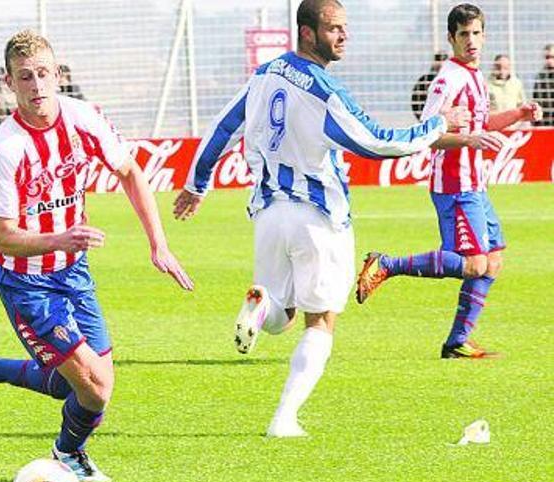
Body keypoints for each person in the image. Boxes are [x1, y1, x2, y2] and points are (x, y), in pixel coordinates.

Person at [172, 0, 468, 438]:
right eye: (333, 29)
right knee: (321, 321)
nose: (343, 36)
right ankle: (284, 419)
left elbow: (221, 126)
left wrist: (197, 184)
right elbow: (375, 142)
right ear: (307, 33)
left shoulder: (264, 74)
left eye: (345, 28)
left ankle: (262, 302)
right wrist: (438, 124)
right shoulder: (324, 90)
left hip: (270, 214)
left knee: (283, 315)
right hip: (318, 218)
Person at [0, 29, 192, 482]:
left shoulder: (84, 118)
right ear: (9, 83)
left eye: (44, 73)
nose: (37, 85)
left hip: (73, 271)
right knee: (95, 388)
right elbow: (4, 238)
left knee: (82, 384)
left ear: (58, 74)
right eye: (25, 77)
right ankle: (67, 454)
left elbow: (129, 170)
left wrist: (158, 243)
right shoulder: (5, 148)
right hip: (27, 283)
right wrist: (59, 239)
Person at [356, 4, 542, 359]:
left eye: (476, 33)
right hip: (455, 184)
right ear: (451, 38)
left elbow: (481, 125)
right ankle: (386, 264)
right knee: (474, 264)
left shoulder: (474, 75)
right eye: (463, 35)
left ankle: (457, 343)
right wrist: (470, 140)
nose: (471, 41)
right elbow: (426, 134)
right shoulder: (449, 78)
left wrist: (519, 113)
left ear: (484, 35)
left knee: (495, 260)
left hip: (476, 184)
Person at [411, 51, 449, 120]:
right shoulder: (425, 81)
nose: (441, 64)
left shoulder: (452, 81)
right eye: (438, 61)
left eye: (443, 61)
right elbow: (416, 103)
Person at [532, 43, 554, 126]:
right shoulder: (541, 77)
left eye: (552, 57)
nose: (549, 60)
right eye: (547, 57)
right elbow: (538, 101)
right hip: (545, 123)